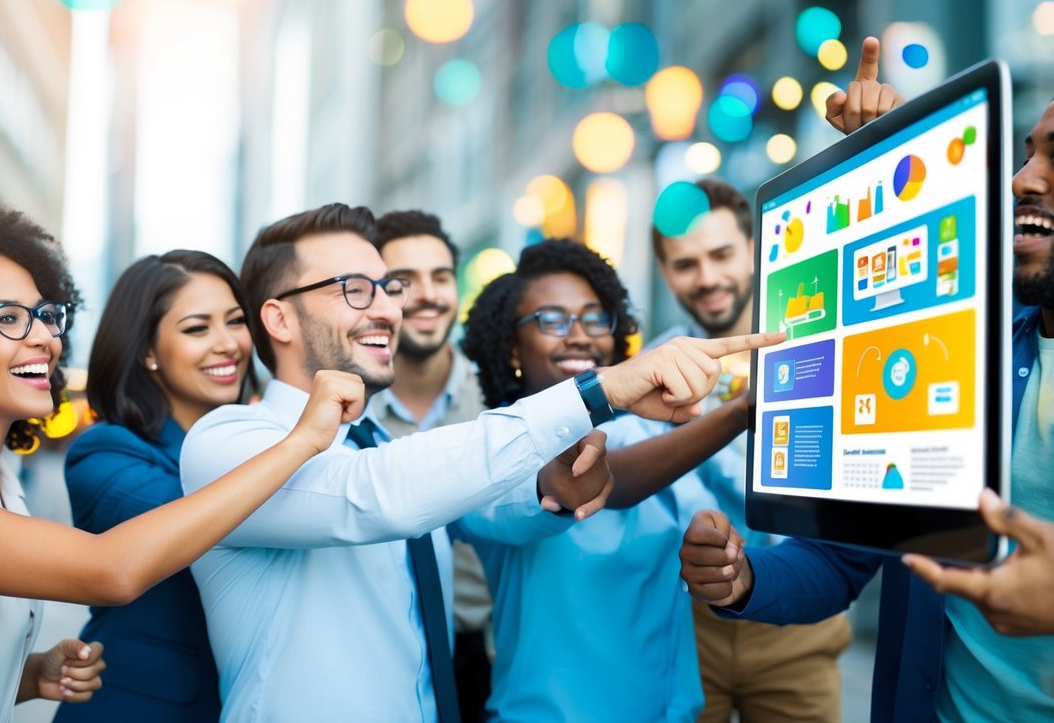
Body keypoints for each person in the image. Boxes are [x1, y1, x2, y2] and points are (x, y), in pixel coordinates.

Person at [179, 202, 782, 722]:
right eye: (356, 289)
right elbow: (371, 494)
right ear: (279, 317)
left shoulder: (389, 451)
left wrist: (562, 480)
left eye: (387, 289)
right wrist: (602, 391)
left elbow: (509, 496)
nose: (390, 309)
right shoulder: (225, 444)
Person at [0, 197, 365, 723]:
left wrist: (28, 673)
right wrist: (299, 444)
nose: (43, 337)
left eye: (45, 315)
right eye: (8, 318)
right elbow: (109, 571)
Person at [679, 39, 1054, 721]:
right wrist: (743, 577)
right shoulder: (969, 344)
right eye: (1027, 153)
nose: (1024, 178)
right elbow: (843, 554)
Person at [454, 238, 753, 722]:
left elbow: (704, 518)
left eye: (595, 319)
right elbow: (601, 480)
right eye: (552, 320)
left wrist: (712, 536)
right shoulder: (492, 446)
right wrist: (738, 412)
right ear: (512, 344)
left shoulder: (650, 430)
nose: (579, 335)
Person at [649, 177, 851, 722]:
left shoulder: (821, 342)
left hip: (802, 612)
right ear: (666, 273)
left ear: (757, 250)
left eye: (721, 254)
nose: (708, 278)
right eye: (686, 264)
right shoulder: (653, 368)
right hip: (686, 623)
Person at [54, 250, 255, 722]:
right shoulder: (105, 452)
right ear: (147, 351)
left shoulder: (255, 443)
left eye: (236, 321)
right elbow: (224, 521)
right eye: (197, 328)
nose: (227, 343)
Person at [370, 210, 492, 723]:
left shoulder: (501, 403)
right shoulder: (344, 414)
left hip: (487, 652)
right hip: (381, 654)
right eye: (402, 282)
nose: (428, 295)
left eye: (441, 277)